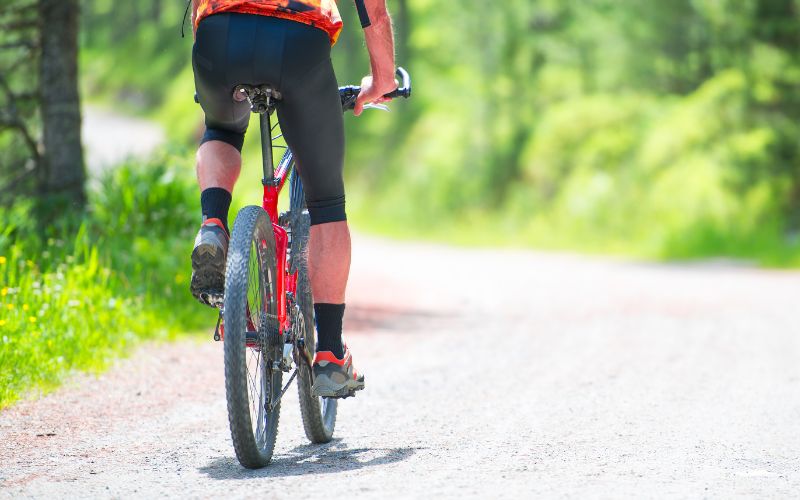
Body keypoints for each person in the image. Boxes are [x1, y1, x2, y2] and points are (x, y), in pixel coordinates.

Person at [188, 0, 397, 397]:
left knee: (221, 130)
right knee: (327, 204)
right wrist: (381, 79)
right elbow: (375, 10)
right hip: (296, 36)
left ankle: (213, 224)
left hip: (219, 31)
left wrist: (212, 54)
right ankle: (331, 355)